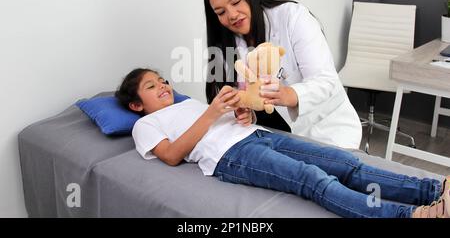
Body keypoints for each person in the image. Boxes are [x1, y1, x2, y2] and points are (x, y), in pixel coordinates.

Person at [115, 68, 449, 218]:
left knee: (346, 163)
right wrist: (213, 111)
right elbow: (173, 155)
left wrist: (244, 116)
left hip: (257, 136)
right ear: (135, 104)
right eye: (151, 86)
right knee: (313, 179)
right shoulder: (146, 124)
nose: (162, 85)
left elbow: (227, 122)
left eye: (162, 80)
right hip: (230, 157)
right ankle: (409, 216)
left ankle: (435, 190)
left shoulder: (188, 104)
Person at [203, 0, 362, 149]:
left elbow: (326, 80)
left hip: (330, 129)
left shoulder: (292, 17)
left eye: (236, 2)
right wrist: (247, 113)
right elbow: (249, 97)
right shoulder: (229, 47)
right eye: (221, 12)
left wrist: (287, 94)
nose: (231, 15)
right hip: (284, 134)